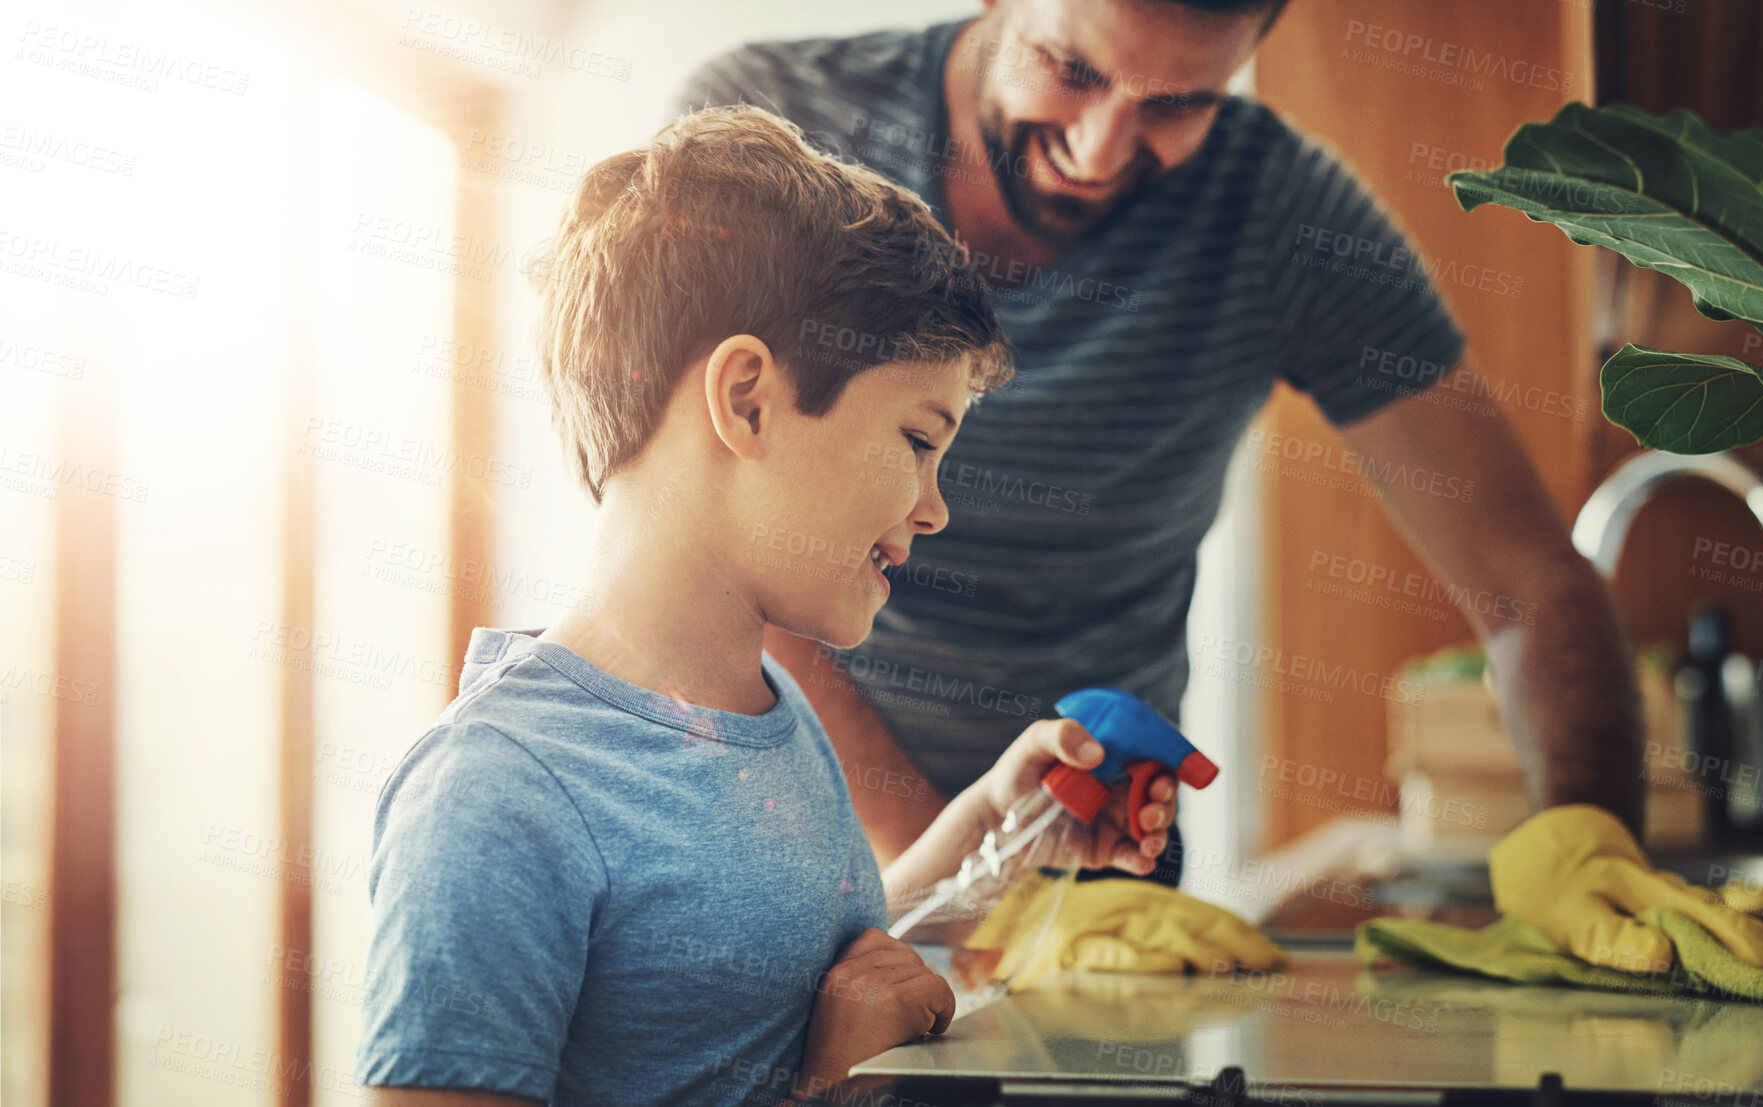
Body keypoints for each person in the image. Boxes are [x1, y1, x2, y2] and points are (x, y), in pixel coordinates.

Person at [671, 0, 1763, 975]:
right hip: (776, 848)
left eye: (1176, 105)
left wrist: (1586, 833)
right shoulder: (775, 131)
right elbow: (701, 542)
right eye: (1071, 69)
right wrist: (964, 886)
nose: (1101, 147)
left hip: (1101, 883)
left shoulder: (1280, 214)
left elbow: (1526, 577)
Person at [351, 105, 1180, 1107]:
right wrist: (835, 1090)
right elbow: (822, 1042)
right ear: (746, 399)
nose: (934, 509)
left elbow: (804, 985)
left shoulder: (770, 709)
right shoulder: (498, 796)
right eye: (920, 441)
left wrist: (995, 833)